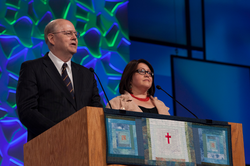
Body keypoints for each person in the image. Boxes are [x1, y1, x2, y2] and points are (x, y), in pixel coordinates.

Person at [16, 19, 102, 141]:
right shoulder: (32, 68)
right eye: (68, 33)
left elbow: (96, 111)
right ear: (51, 38)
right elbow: (27, 112)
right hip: (48, 145)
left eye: (76, 34)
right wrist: (60, 133)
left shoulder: (87, 73)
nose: (74, 38)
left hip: (84, 145)